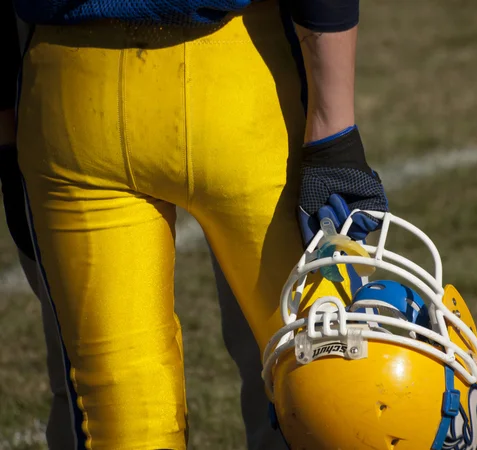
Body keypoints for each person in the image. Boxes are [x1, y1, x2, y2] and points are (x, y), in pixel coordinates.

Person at [0, 0, 388, 448]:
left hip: (68, 93)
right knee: (328, 374)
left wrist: (7, 137)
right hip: (238, 76)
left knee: (124, 420)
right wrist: (334, 126)